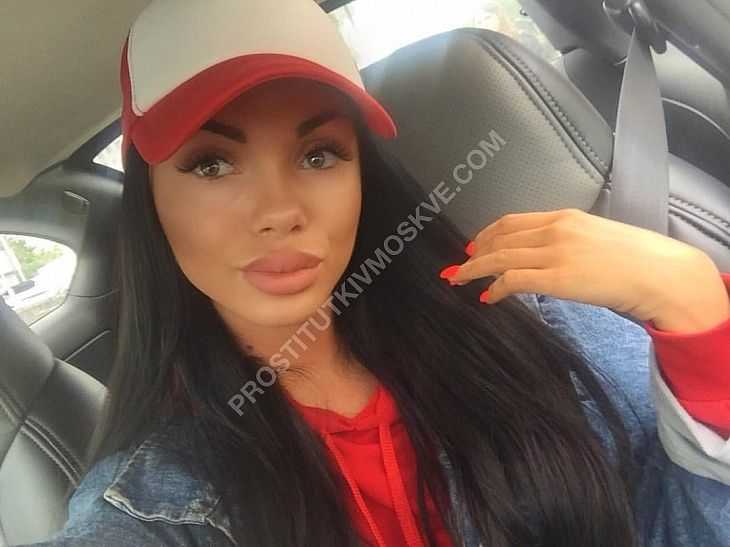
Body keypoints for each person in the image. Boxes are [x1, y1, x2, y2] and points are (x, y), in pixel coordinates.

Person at [24, 0, 730, 546]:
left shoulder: (534, 326)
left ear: (365, 174)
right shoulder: (147, 506)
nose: (279, 211)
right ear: (149, 198)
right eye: (212, 163)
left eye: (319, 155)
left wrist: (700, 320)